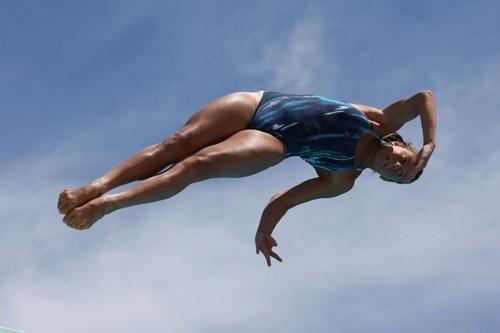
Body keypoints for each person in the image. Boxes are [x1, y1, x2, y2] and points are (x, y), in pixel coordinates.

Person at [57, 90, 436, 266]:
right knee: (177, 143)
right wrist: (431, 144)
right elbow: (423, 98)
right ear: (401, 144)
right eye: (405, 161)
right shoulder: (381, 120)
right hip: (257, 104)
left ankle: (107, 205)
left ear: (385, 181)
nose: (397, 168)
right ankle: (97, 185)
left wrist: (263, 230)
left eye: (399, 177)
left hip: (274, 140)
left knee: (196, 165)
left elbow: (283, 199)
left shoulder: (341, 178)